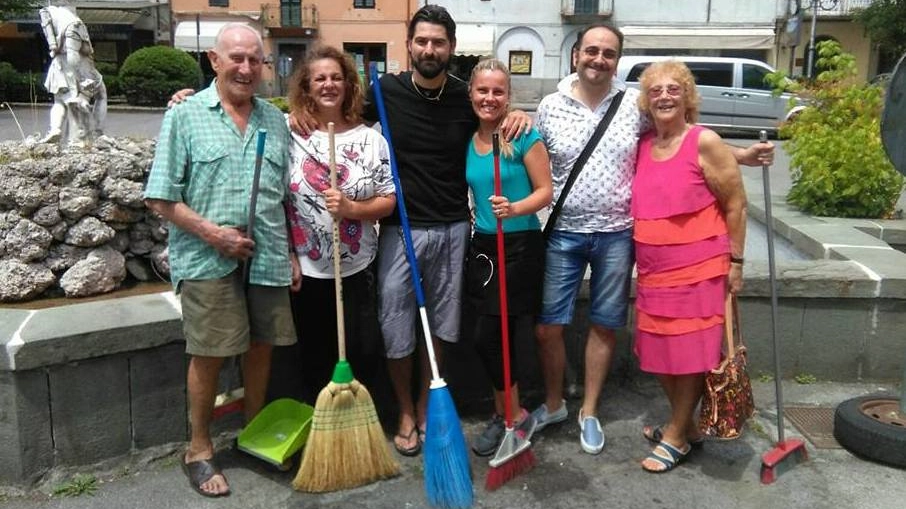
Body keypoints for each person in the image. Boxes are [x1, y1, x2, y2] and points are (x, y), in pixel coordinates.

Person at [531, 23, 773, 455]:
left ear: (616, 60)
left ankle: (589, 410)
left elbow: (683, 133)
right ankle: (554, 404)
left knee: (606, 325)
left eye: (608, 52)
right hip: (566, 231)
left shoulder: (631, 105)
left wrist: (739, 155)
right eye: (592, 51)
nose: (598, 59)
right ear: (576, 56)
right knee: (548, 325)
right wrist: (506, 120)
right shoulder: (549, 107)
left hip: (618, 235)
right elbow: (533, 153)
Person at [144, 23, 300, 498]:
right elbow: (161, 197)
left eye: (255, 60)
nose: (246, 68)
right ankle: (198, 448)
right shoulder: (185, 115)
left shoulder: (275, 120)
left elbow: (285, 197)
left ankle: (253, 434)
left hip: (268, 255)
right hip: (207, 258)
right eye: (236, 58)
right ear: (215, 60)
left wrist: (292, 252)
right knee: (209, 352)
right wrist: (215, 235)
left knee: (260, 347)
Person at [632, 60, 747, 472]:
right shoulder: (644, 143)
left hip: (700, 266)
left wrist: (735, 262)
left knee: (692, 354)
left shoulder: (704, 141)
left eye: (673, 89)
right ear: (646, 100)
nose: (664, 96)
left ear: (687, 97)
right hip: (654, 270)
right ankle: (688, 426)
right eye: (656, 90)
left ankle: (677, 435)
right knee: (659, 352)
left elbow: (735, 204)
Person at [284, 45, 396, 399]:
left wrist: (350, 208)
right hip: (308, 270)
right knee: (314, 358)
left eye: (336, 78)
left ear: (348, 85)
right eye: (320, 78)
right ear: (306, 86)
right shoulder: (289, 134)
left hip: (357, 268)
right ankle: (322, 434)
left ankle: (359, 429)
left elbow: (388, 202)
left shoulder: (371, 139)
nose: (328, 85)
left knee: (362, 352)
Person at [463, 59, 552, 456]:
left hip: (519, 245)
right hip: (484, 244)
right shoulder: (469, 138)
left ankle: (509, 416)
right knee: (489, 339)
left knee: (493, 337)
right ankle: (508, 413)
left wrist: (514, 208)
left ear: (508, 96)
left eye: (498, 91)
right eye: (483, 90)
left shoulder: (522, 134)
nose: (490, 98)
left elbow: (545, 191)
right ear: (471, 94)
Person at [39, 4, 106, 145]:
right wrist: (82, 79)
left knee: (59, 101)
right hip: (77, 67)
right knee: (100, 95)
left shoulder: (51, 14)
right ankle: (96, 132)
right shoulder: (73, 22)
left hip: (58, 65)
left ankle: (55, 128)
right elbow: (72, 54)